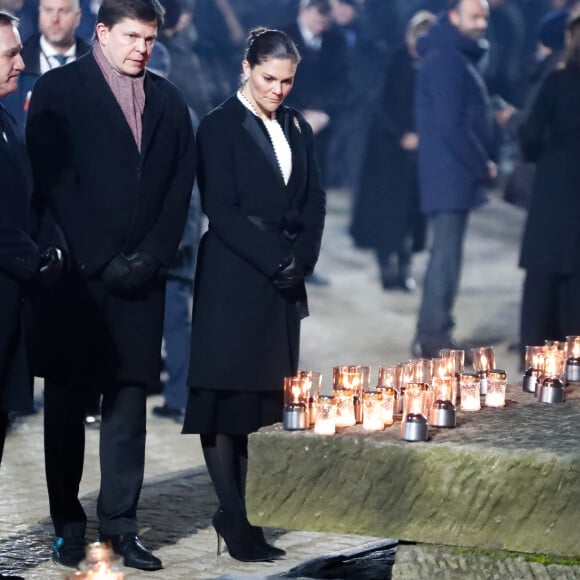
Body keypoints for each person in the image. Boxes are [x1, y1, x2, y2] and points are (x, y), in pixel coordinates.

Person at [25, 0, 196, 570]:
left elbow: (178, 188)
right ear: (100, 32)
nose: (141, 48)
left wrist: (151, 256)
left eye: (149, 38)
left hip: (142, 281)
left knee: (128, 406)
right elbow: (57, 182)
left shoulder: (170, 101)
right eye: (130, 36)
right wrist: (101, 258)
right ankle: (68, 526)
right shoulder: (60, 91)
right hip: (77, 280)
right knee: (68, 406)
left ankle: (121, 527)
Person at [184, 27, 325, 562]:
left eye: (287, 80)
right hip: (233, 276)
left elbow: (315, 196)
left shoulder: (295, 125)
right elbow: (220, 209)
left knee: (264, 403)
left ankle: (246, 514)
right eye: (269, 78)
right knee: (225, 400)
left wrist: (303, 258)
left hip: (282, 281)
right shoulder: (219, 127)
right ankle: (235, 519)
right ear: (247, 67)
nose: (279, 89)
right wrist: (275, 260)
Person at [411, 0, 498, 359]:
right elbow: (452, 124)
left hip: (449, 173)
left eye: (485, 17)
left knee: (446, 257)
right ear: (453, 17)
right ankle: (434, 338)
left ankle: (434, 332)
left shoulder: (452, 55)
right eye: (474, 16)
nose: (481, 24)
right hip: (450, 173)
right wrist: (482, 164)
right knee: (444, 259)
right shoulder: (448, 59)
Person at [0, 10, 64, 469]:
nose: (20, 63)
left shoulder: (4, 117)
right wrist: (34, 259)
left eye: (19, 52)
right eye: (9, 54)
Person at [350, 10, 435, 292]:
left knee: (413, 212)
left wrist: (423, 135)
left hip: (421, 150)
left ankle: (405, 266)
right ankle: (387, 266)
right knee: (388, 211)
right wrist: (402, 133)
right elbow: (380, 103)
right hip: (389, 148)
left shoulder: (435, 66)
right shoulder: (394, 61)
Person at [517, 15, 580, 353]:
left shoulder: (557, 83)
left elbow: (529, 134)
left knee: (542, 279)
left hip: (554, 187)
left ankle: (538, 361)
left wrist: (540, 154)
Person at [2, 0, 90, 133]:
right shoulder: (12, 65)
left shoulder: (97, 65)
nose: (55, 19)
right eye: (48, 10)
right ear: (39, 13)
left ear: (78, 17)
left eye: (63, 11)